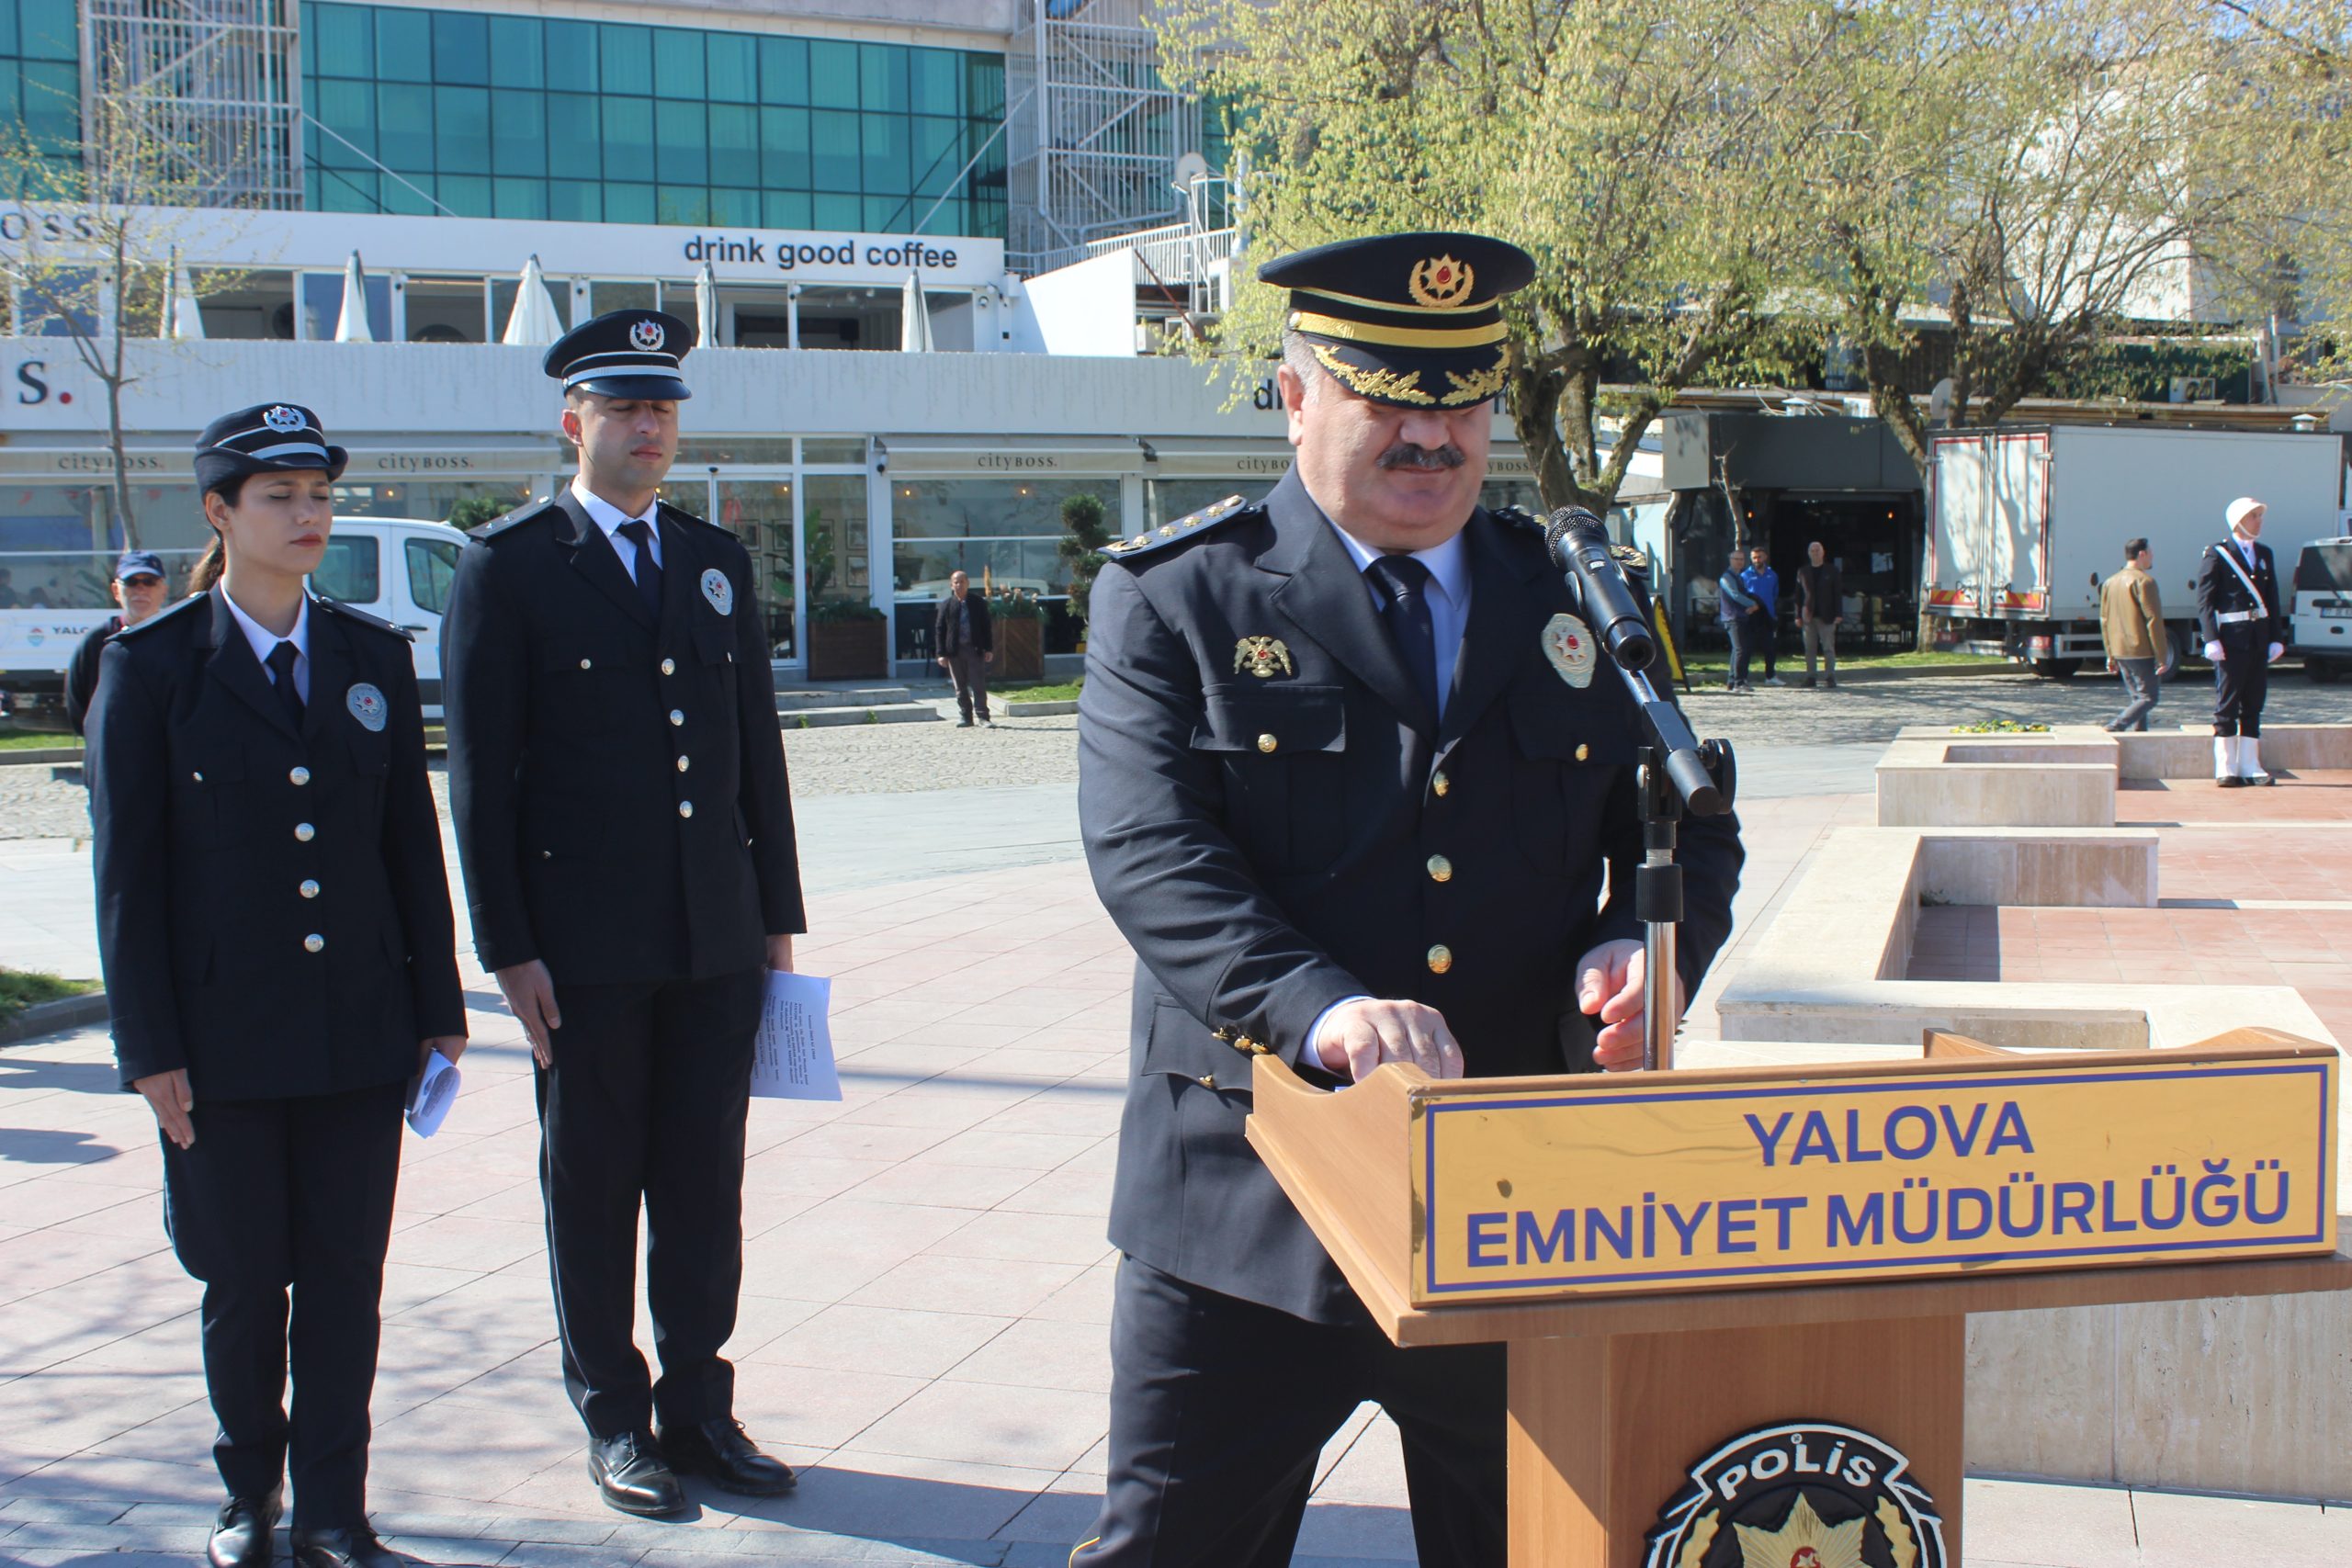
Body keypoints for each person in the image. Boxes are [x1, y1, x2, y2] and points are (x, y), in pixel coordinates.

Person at [1071, 231, 1744, 1566]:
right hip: (1250, 1200)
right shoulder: (1177, 597)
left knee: (1539, 1546)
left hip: (1513, 1197)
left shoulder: (1569, 592)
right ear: (1297, 393)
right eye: (1388, 393)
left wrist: (1641, 948)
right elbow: (1154, 856)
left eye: (1461, 399)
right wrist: (1322, 1007)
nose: (1431, 434)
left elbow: (1682, 820)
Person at [86, 404, 466, 1568]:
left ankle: (338, 1514)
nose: (307, 517)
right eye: (278, 498)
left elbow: (409, 842)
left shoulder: (369, 658)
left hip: (359, 1030)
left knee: (346, 1283)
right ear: (219, 513)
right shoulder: (151, 669)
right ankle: (249, 1499)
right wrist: (149, 1048)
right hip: (221, 1043)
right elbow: (127, 876)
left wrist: (438, 1012)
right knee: (247, 1286)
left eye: (319, 496)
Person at [442, 310, 807, 1517]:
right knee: (594, 1182)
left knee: (705, 1181)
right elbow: (483, 777)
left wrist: (776, 919)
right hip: (586, 952)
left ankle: (701, 1406)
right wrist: (508, 947)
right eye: (623, 409)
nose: (648, 427)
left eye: (662, 409)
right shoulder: (512, 564)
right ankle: (615, 1412)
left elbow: (755, 749)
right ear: (573, 422)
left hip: (713, 934)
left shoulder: (714, 557)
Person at [2195, 496, 2284, 786]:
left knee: (2254, 701)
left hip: (2258, 639)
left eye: (2259, 515)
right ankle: (2226, 766)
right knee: (2228, 703)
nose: (2259, 520)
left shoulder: (2265, 553)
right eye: (2254, 515)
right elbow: (2205, 600)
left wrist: (2276, 637)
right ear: (2238, 520)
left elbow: (2272, 598)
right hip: (2231, 640)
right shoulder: (2217, 554)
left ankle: (2249, 764)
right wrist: (2211, 638)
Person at [64, 550, 173, 735]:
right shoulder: (97, 642)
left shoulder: (177, 640)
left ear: (163, 590)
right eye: (131, 582)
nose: (141, 589)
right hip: (112, 750)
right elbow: (78, 705)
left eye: (149, 581)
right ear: (116, 590)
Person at [2098, 536, 2172, 732]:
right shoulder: (2145, 581)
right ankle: (2116, 725)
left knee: (2137, 698)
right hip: (2141, 649)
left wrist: (2110, 653)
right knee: (2149, 697)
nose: (2152, 557)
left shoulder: (2109, 582)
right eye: (2151, 553)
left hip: (2119, 648)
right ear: (2142, 554)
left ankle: (2140, 734)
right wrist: (2162, 656)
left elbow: (2104, 619)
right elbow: (2153, 620)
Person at [933, 568, 995, 727]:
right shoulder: (946, 605)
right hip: (955, 651)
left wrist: (988, 649)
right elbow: (940, 629)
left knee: (978, 684)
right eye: (956, 582)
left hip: (974, 649)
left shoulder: (977, 603)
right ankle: (966, 717)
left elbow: (986, 626)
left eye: (962, 582)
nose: (959, 585)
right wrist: (941, 653)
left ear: (968, 583)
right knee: (960, 686)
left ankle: (983, 717)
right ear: (951, 585)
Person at [1795, 540, 1842, 689]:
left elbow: (1837, 594)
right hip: (1808, 615)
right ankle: (1810, 677)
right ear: (1809, 553)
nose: (1815, 553)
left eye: (1818, 550)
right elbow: (1798, 595)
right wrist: (1797, 615)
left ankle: (1830, 676)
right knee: (1810, 649)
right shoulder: (1803, 571)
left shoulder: (1832, 570)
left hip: (1827, 615)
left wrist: (1838, 614)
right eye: (1812, 551)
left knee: (1828, 648)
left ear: (1823, 552)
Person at [1717, 548, 1759, 692]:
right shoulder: (1726, 577)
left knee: (1738, 650)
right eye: (1736, 559)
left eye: (1741, 559)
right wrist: (1752, 604)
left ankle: (1732, 680)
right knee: (1741, 649)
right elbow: (1735, 595)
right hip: (1732, 617)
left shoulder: (1739, 577)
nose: (1739, 562)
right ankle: (1739, 682)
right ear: (1730, 560)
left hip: (1741, 617)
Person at [1741, 543, 1781, 683]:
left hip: (1768, 615)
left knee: (1770, 648)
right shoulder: (1745, 575)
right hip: (1751, 616)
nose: (1757, 560)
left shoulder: (1772, 575)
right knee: (1746, 648)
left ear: (1765, 557)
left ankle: (1770, 676)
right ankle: (1743, 677)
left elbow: (1775, 594)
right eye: (1754, 558)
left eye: (1759, 557)